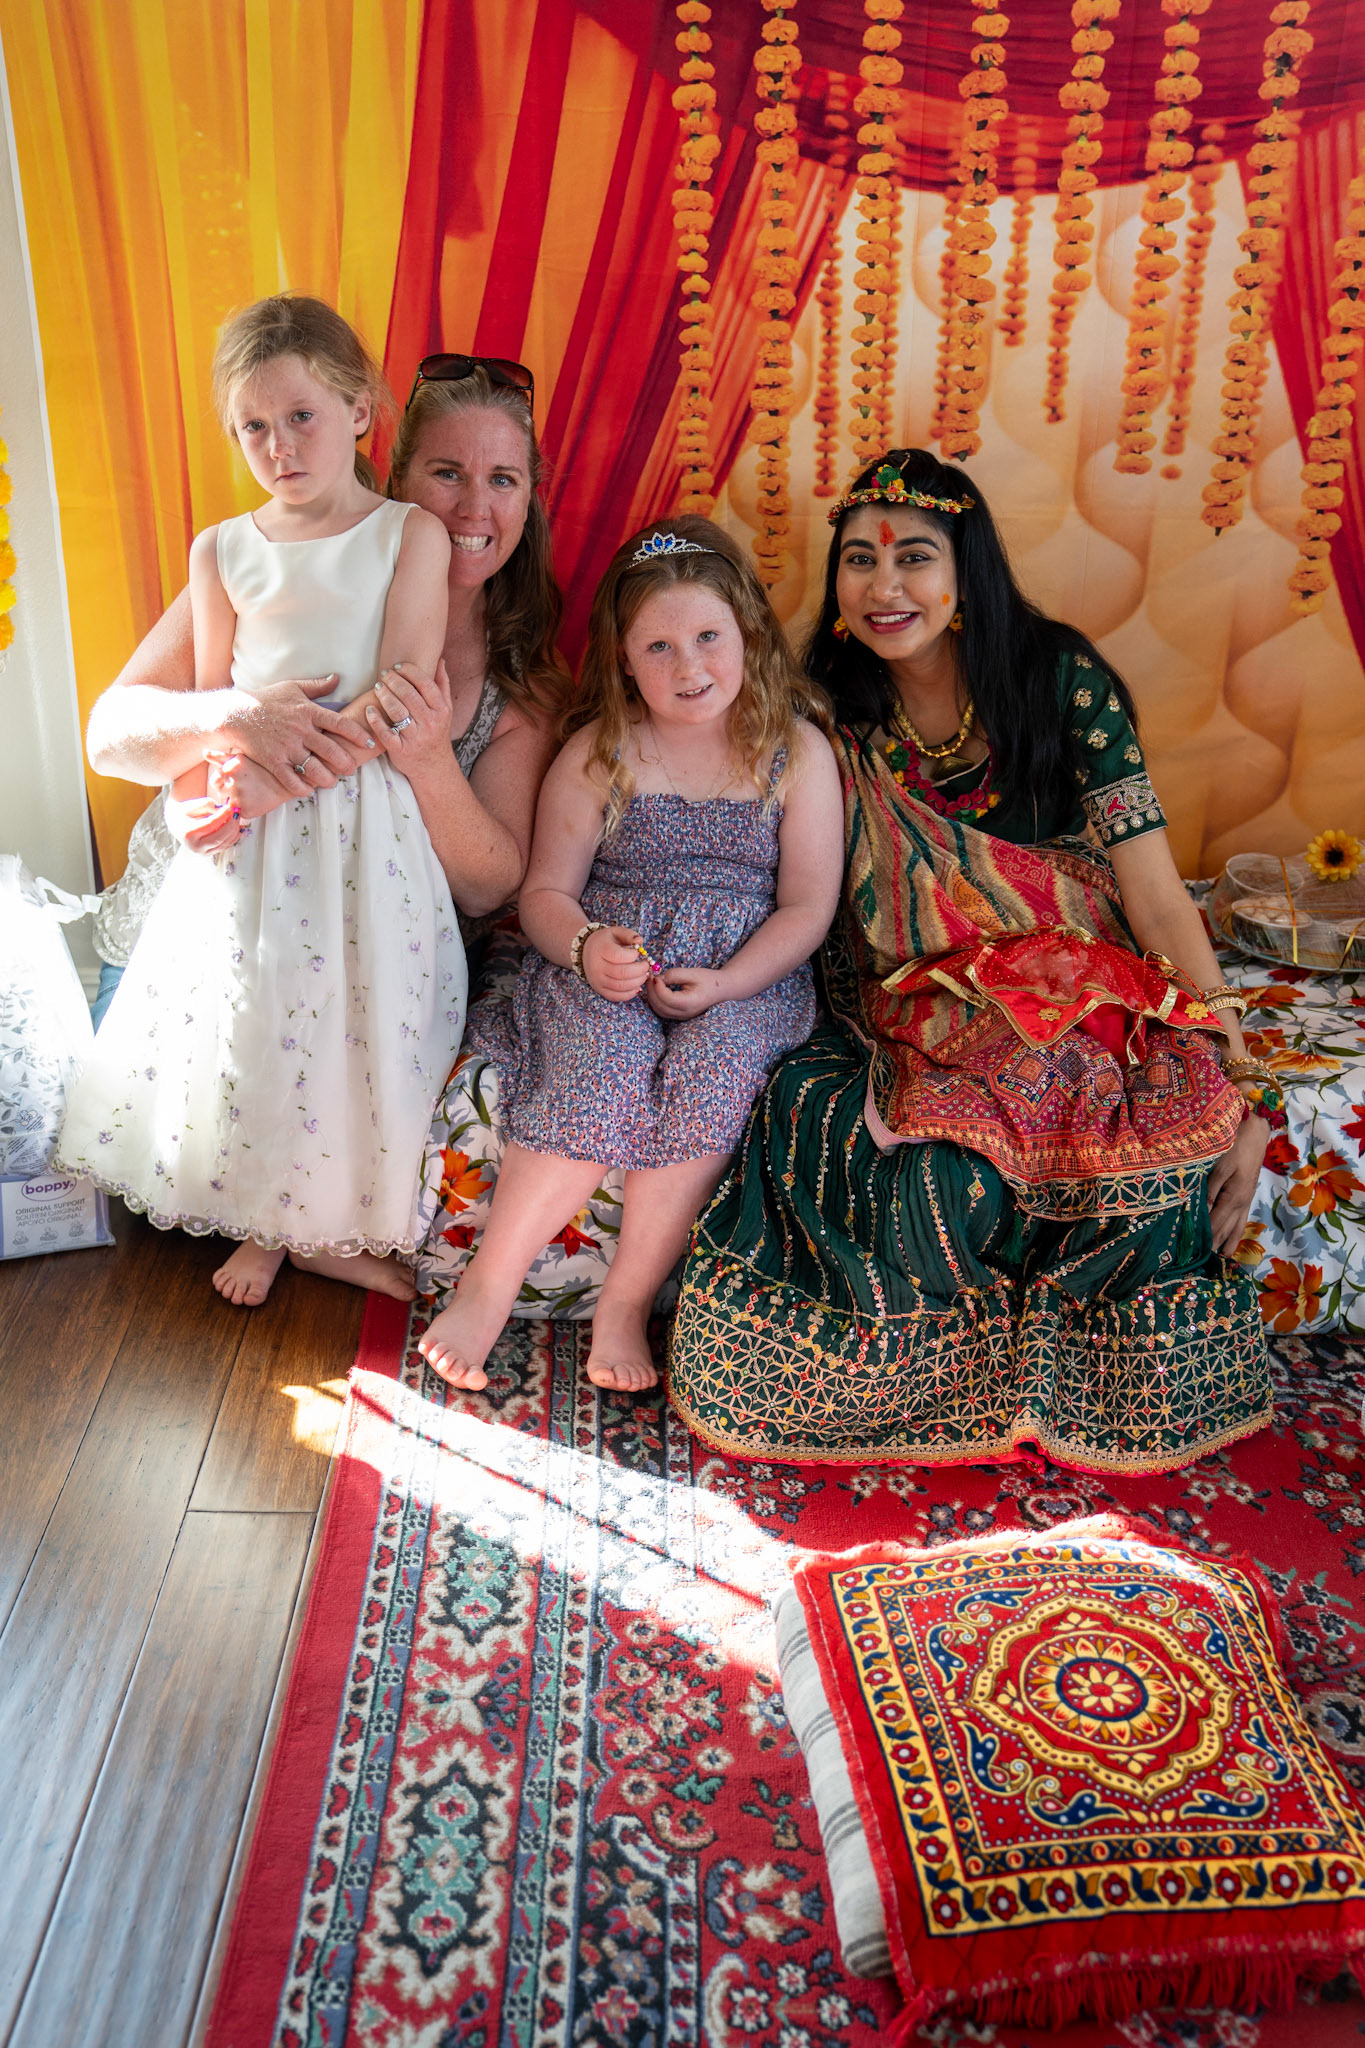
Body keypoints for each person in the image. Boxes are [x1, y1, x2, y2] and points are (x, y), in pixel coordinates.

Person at [669, 449, 1278, 1475]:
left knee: (1134, 1131)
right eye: (859, 559)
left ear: (966, 573)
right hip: (913, 994)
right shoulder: (825, 709)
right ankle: (910, 1383)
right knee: (929, 1168)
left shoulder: (1058, 680)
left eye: (915, 556)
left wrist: (1236, 1075)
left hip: (1071, 978)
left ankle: (1096, 1376)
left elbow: (1155, 891)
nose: (884, 585)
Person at [58, 295, 465, 1307]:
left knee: (355, 1019)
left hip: (362, 823)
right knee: (258, 1015)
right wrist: (201, 799)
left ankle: (330, 1225)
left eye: (301, 417)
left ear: (360, 411)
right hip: (252, 837)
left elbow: (402, 692)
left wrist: (282, 773)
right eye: (253, 427)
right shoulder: (222, 550)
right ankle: (261, 1222)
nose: (278, 446)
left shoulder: (409, 534)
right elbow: (208, 706)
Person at [416, 517, 844, 1395]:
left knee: (716, 1073)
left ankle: (626, 1300)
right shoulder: (599, 752)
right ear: (621, 658)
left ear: (748, 633)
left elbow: (808, 905)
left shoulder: (794, 751)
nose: (689, 667)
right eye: (659, 647)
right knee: (602, 1064)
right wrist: (583, 947)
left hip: (744, 975)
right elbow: (543, 892)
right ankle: (488, 1285)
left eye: (708, 638)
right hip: (607, 968)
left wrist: (730, 981)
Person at [85, 349, 566, 999]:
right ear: (399, 477)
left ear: (530, 499)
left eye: (502, 479)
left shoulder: (522, 682)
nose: (474, 507)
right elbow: (110, 737)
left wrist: (426, 758)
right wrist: (236, 718)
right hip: (183, 948)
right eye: (447, 473)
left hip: (352, 988)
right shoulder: (276, 559)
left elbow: (490, 887)